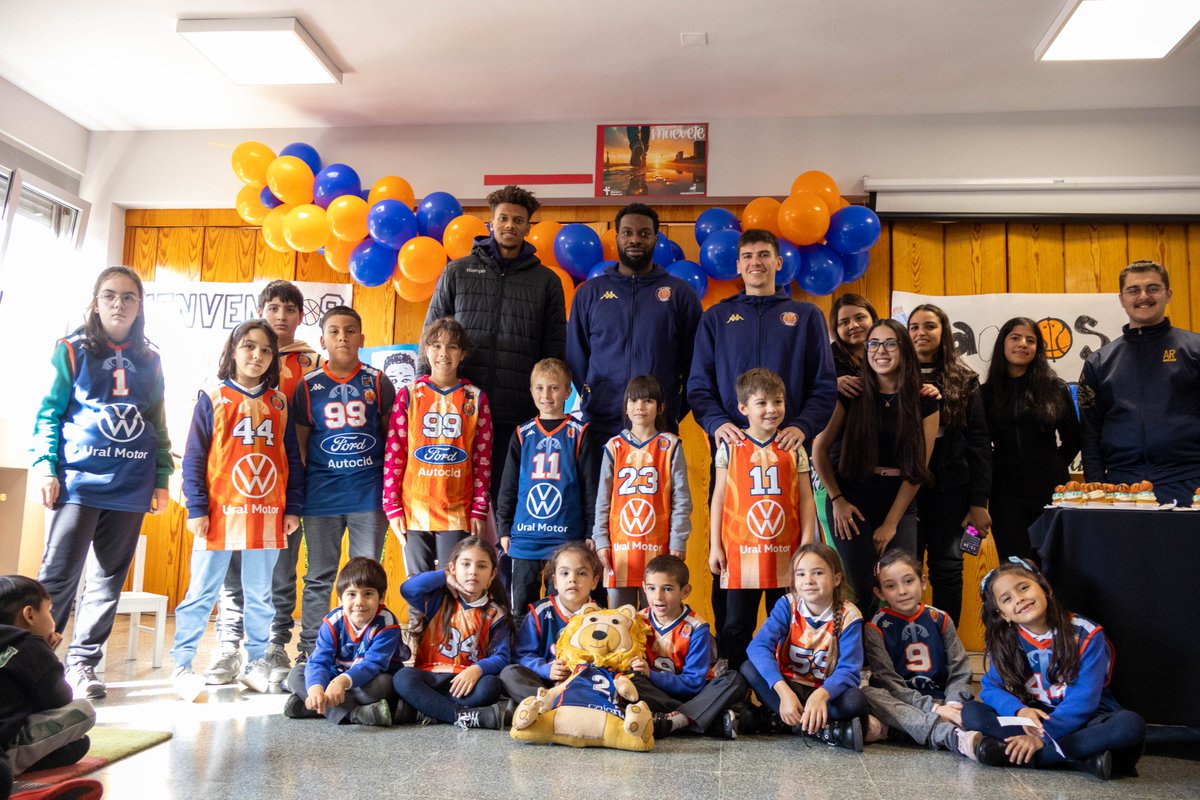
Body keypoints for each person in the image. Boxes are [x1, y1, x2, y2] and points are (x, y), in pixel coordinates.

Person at [687, 229, 837, 658]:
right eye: (748, 255)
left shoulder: (805, 316)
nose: (755, 262)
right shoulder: (715, 317)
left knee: (786, 600)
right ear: (737, 266)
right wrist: (718, 423)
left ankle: (786, 682)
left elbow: (823, 386)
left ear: (778, 263)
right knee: (732, 598)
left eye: (764, 255)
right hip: (734, 461)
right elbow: (698, 386)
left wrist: (803, 426)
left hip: (786, 460)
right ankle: (732, 680)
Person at [31, 266, 172, 700]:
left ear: (140, 305)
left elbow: (157, 422)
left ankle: (83, 664)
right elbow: (49, 413)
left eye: (130, 297)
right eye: (110, 295)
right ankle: (35, 665)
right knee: (57, 579)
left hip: (132, 484)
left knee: (108, 580)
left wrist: (162, 477)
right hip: (79, 483)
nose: (119, 304)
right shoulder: (71, 349)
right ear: (95, 301)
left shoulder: (151, 358)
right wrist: (44, 466)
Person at [171, 320, 304, 701]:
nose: (257, 355)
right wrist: (197, 506)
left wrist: (292, 507)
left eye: (265, 350)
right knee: (202, 591)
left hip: (266, 513)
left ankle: (256, 661)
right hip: (219, 515)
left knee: (260, 593)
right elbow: (194, 459)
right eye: (249, 347)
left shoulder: (279, 403)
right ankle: (182, 664)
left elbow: (290, 459)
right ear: (232, 351)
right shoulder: (211, 398)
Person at [208, 280, 322, 688]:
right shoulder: (239, 359)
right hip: (237, 484)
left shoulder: (313, 362)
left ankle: (275, 644)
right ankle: (229, 645)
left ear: (300, 316)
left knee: (279, 570)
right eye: (273, 308)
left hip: (288, 482)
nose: (281, 316)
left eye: (289, 310)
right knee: (232, 572)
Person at [425, 185, 566, 511]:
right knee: (454, 503)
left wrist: (548, 409)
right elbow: (430, 337)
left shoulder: (546, 282)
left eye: (518, 220)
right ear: (491, 222)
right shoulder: (457, 271)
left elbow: (554, 351)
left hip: (516, 413)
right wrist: (426, 393)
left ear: (528, 227)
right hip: (458, 410)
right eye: (503, 218)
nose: (510, 225)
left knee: (506, 504)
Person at [963, 558, 1147, 779]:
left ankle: (1012, 755)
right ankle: (1082, 761)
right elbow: (990, 689)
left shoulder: (1086, 634)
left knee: (1129, 725)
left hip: (1083, 720)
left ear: (1045, 588)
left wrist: (1043, 736)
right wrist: (1020, 711)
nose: (1019, 599)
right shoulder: (1006, 642)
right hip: (1034, 716)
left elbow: (1084, 700)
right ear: (1004, 615)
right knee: (971, 712)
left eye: (1024, 588)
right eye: (1007, 599)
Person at [812, 319, 938, 617]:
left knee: (900, 582)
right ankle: (863, 658)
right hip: (851, 498)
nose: (880, 350)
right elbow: (818, 451)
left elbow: (918, 467)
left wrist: (892, 523)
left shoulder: (925, 400)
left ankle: (897, 652)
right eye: (873, 344)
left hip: (899, 499)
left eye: (889, 343)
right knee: (864, 586)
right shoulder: (851, 393)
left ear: (904, 350)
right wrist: (838, 500)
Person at [292, 307, 395, 664]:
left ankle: (366, 649)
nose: (342, 338)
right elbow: (302, 445)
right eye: (334, 332)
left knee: (365, 574)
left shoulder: (378, 382)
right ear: (322, 340)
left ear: (362, 339)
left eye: (350, 331)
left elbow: (388, 437)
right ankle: (310, 649)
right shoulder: (307, 387)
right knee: (319, 575)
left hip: (367, 494)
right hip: (321, 496)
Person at [566, 203, 701, 444]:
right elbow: (576, 357)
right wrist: (593, 398)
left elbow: (695, 363)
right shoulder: (590, 293)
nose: (635, 239)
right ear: (617, 237)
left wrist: (671, 409)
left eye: (644, 233)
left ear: (656, 239)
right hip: (600, 425)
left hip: (658, 428)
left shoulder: (680, 294)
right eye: (627, 233)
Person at [709, 368, 816, 667]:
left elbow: (806, 498)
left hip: (786, 553)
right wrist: (715, 546)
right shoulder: (729, 447)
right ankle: (735, 692)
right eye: (762, 403)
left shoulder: (794, 447)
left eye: (778, 402)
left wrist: (807, 545)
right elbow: (718, 497)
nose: (771, 409)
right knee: (736, 626)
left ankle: (779, 689)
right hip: (740, 554)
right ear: (743, 408)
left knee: (783, 624)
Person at [1078, 260, 1200, 506]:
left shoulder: (1195, 350)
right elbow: (1090, 433)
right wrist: (1095, 489)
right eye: (1133, 290)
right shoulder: (1099, 362)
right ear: (1122, 299)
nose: (1143, 296)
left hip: (1189, 481)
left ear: (1168, 294)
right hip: (1122, 488)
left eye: (1153, 288)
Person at [861, 551, 1003, 762]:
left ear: (923, 582)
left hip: (942, 698)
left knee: (976, 709)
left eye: (908, 581)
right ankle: (949, 735)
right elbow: (888, 682)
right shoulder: (875, 627)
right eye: (891, 586)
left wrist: (953, 705)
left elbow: (960, 670)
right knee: (869, 693)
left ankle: (898, 731)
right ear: (880, 593)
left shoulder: (941, 619)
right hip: (904, 703)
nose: (902, 591)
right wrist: (934, 710)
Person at [382, 317, 492, 576]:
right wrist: (391, 505)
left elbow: (483, 459)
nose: (444, 353)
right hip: (413, 509)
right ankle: (419, 620)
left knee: (453, 582)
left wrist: (479, 508)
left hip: (457, 509)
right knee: (417, 585)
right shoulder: (408, 395)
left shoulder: (475, 398)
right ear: (426, 350)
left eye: (452, 346)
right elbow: (395, 451)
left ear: (462, 353)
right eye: (436, 345)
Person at [908, 304, 992, 624]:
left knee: (948, 567)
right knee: (906, 568)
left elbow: (980, 445)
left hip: (952, 490)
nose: (920, 333)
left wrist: (979, 501)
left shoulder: (965, 379)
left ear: (944, 332)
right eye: (914, 327)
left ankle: (945, 646)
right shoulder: (894, 375)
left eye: (929, 326)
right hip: (907, 488)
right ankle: (909, 645)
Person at [497, 359, 599, 619]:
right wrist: (504, 527)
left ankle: (561, 654)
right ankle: (522, 655)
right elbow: (508, 485)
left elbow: (590, 489)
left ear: (568, 392)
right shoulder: (522, 434)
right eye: (540, 388)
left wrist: (589, 530)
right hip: (525, 536)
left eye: (554, 388)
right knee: (522, 607)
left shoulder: (580, 433)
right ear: (531, 391)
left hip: (565, 539)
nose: (546, 395)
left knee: (563, 605)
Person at [739, 543, 867, 751]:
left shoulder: (849, 615)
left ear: (836, 579)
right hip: (789, 687)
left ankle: (778, 721)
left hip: (824, 694)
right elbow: (758, 647)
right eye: (800, 574)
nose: (808, 580)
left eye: (817, 573)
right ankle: (823, 731)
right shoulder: (787, 605)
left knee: (856, 701)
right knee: (748, 668)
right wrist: (783, 692)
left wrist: (821, 695)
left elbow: (849, 670)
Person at [983, 317, 1081, 562]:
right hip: (1004, 490)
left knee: (1053, 563)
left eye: (1031, 340)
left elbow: (1074, 437)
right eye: (1015, 338)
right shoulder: (985, 392)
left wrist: (1054, 465)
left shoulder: (1054, 388)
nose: (1023, 344)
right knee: (1015, 563)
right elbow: (978, 443)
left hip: (1051, 488)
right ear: (1003, 344)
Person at [593, 376, 691, 609]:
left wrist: (678, 540)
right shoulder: (614, 446)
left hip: (659, 547)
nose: (640, 407)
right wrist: (600, 540)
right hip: (620, 550)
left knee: (657, 615)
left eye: (648, 401)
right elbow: (603, 499)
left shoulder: (670, 446)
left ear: (660, 408)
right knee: (621, 618)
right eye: (634, 401)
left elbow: (682, 500)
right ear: (626, 406)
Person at [392, 538, 512, 729]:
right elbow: (408, 589)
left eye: (482, 566)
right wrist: (442, 576)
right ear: (453, 568)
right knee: (402, 678)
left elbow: (502, 656)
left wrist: (477, 669)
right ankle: (461, 716)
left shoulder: (496, 613)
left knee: (491, 685)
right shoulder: (438, 600)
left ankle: (425, 710)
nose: (473, 571)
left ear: (492, 575)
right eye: (465, 564)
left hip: (464, 683)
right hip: (429, 677)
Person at [283, 557, 406, 727]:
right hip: (336, 679)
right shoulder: (333, 621)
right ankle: (356, 713)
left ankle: (315, 707)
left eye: (368, 594)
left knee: (385, 684)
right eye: (351, 594)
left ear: (381, 597)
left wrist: (341, 682)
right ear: (340, 599)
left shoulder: (387, 623)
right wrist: (316, 688)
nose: (359, 602)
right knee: (296, 674)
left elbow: (373, 665)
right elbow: (319, 660)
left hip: (367, 681)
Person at [632, 555, 744, 740]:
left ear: (685, 591)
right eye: (651, 588)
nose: (657, 596)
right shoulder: (636, 621)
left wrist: (652, 675)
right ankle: (703, 719)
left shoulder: (696, 628)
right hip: (656, 693)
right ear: (644, 588)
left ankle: (675, 720)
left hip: (693, 694)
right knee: (629, 679)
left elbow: (693, 683)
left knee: (734, 679)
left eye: (667, 589)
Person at [0, 576, 96, 785]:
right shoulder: (28, 644)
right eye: (49, 611)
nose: (52, 618)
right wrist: (47, 655)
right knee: (83, 710)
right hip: (5, 742)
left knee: (76, 745)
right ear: (29, 615)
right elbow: (59, 699)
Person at [499, 542, 602, 702]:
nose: (572, 580)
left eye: (581, 573)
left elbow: (607, 658)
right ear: (554, 581)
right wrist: (547, 669)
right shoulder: (539, 611)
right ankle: (555, 702)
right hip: (544, 682)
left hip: (584, 682)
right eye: (564, 573)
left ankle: (547, 706)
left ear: (594, 581)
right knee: (509, 674)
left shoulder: (602, 617)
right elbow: (522, 654)